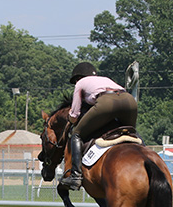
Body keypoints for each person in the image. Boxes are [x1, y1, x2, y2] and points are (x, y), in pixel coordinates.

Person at [59, 62, 138, 190]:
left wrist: (71, 120)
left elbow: (74, 114)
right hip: (129, 101)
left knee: (76, 134)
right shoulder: (105, 79)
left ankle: (76, 176)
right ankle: (144, 152)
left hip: (107, 102)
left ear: (78, 78)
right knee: (131, 134)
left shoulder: (80, 83)